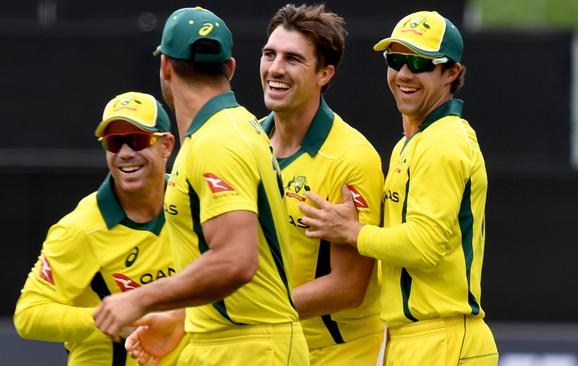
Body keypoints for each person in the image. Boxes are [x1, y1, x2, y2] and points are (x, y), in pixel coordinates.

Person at [92, 7, 309, 366]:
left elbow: (235, 260)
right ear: (231, 68)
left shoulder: (218, 139)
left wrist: (139, 298)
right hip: (227, 342)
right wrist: (183, 319)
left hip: (250, 350)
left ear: (165, 68)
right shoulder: (230, 128)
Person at [299, 10, 499, 366]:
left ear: (451, 72)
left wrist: (352, 232)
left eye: (419, 62)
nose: (404, 73)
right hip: (416, 339)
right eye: (395, 59)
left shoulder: (443, 141)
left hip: (442, 338)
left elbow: (423, 246)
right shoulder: (410, 143)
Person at [13, 91, 186, 365]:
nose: (126, 153)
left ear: (166, 145)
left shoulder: (193, 206)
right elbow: (29, 315)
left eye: (138, 140)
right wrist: (115, 318)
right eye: (115, 143)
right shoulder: (80, 228)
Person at [259, 4, 385, 365]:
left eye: (293, 59)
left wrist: (254, 312)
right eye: (270, 54)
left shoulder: (352, 157)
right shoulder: (244, 142)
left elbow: (349, 288)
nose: (276, 69)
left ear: (324, 74)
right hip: (266, 347)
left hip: (339, 353)